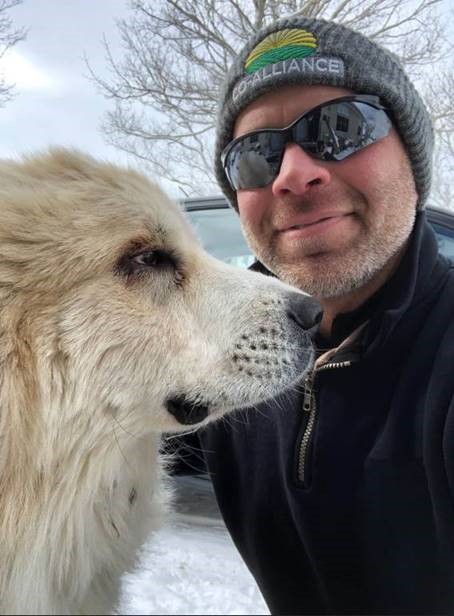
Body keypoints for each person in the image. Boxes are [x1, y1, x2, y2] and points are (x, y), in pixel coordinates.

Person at [175, 16, 454, 615]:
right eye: (256, 156)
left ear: (412, 157)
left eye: (340, 127)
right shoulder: (212, 346)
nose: (293, 174)